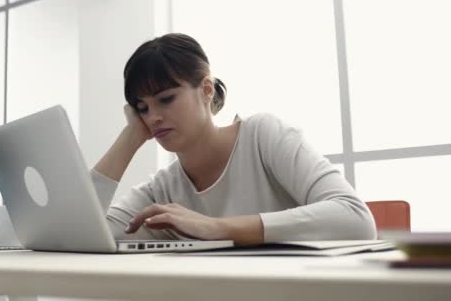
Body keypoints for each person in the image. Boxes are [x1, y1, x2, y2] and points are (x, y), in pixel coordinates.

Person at [90, 33, 376, 245]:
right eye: (142, 107)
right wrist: (130, 137)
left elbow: (355, 218)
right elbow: (85, 233)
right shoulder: (162, 189)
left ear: (205, 89)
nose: (152, 117)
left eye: (166, 99)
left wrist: (219, 228)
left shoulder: (262, 136)